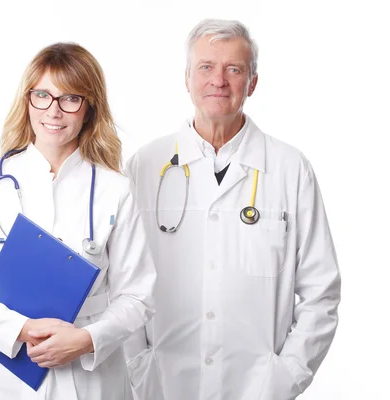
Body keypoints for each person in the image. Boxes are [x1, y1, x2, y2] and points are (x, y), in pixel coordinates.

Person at [123, 19, 341, 400]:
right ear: (187, 78)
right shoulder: (145, 165)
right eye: (206, 67)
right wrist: (137, 367)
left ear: (252, 83)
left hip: (256, 388)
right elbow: (120, 282)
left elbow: (321, 291)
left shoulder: (290, 169)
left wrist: (285, 376)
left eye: (234, 69)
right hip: (163, 385)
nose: (218, 80)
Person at [0, 42, 155, 400]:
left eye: (70, 98)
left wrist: (86, 340)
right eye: (43, 96)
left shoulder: (117, 190)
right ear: (27, 100)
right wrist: (19, 328)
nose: (54, 110)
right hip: (3, 377)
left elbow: (139, 295)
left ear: (89, 108)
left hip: (90, 378)